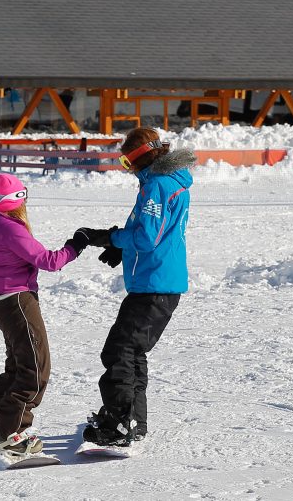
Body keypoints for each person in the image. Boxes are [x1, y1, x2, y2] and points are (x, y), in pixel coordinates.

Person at [0, 173, 101, 456]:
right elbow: (48, 261)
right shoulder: (10, 228)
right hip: (18, 302)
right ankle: (8, 434)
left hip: (0, 302)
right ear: (17, 200)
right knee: (35, 370)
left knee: (16, 367)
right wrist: (76, 244)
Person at [82, 127, 196, 447]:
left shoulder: (157, 185)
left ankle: (119, 423)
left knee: (120, 350)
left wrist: (112, 237)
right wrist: (122, 246)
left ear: (139, 159)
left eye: (127, 163)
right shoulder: (166, 180)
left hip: (155, 283)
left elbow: (147, 237)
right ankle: (133, 421)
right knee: (132, 352)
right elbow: (150, 232)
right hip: (156, 280)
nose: (128, 171)